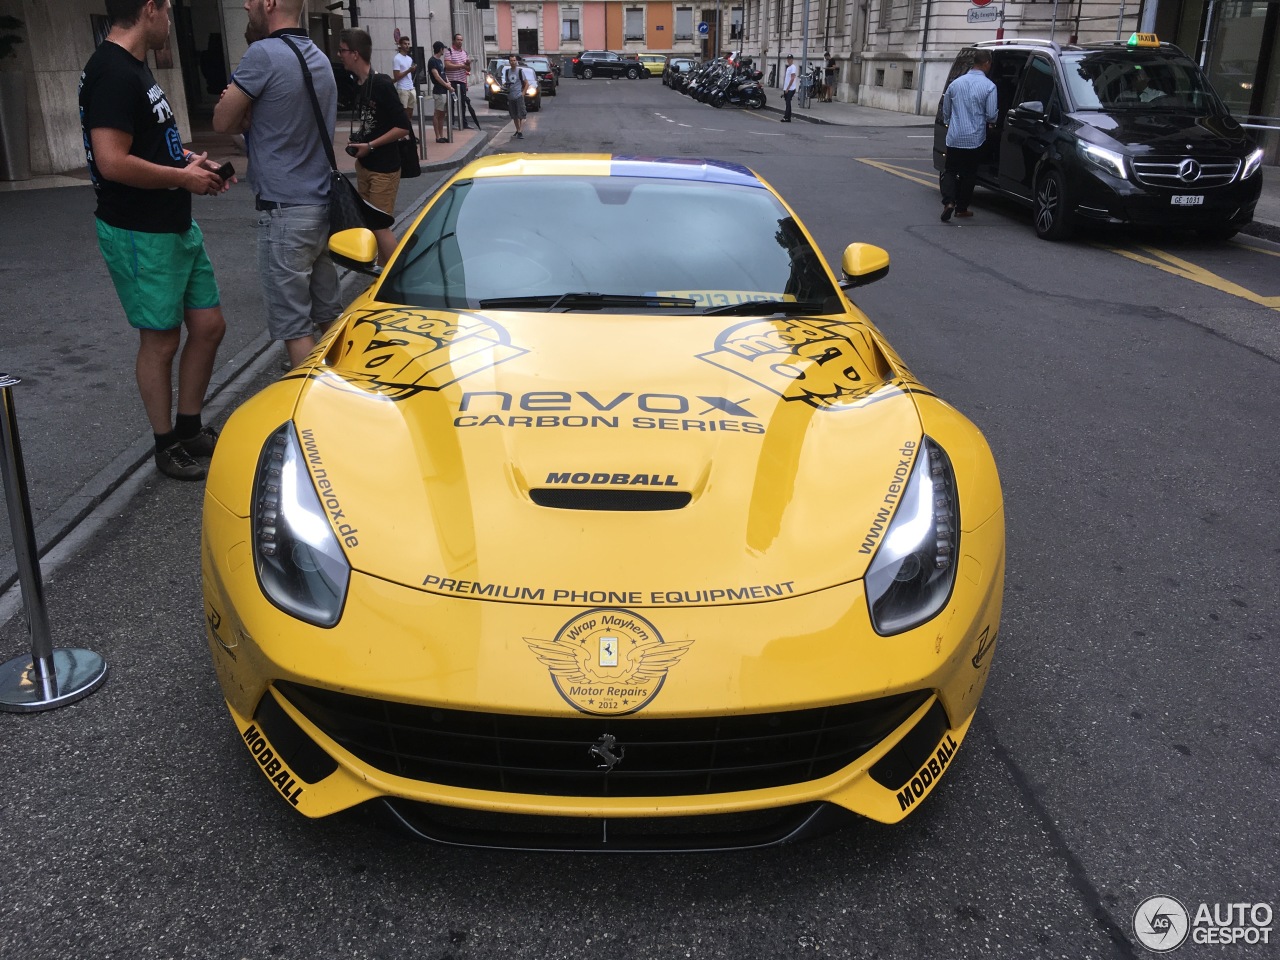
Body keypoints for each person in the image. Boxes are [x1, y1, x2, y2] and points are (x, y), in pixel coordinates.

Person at [80, 0, 230, 481]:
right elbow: (111, 161)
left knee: (208, 326)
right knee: (161, 340)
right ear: (148, 9)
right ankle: (166, 444)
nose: (170, 17)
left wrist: (189, 162)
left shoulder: (134, 69)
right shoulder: (111, 71)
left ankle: (189, 427)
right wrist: (180, 178)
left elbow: (149, 142)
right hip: (139, 229)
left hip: (173, 222)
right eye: (167, 7)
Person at [213, 0, 342, 369]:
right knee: (327, 314)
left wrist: (241, 109)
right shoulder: (318, 57)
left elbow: (222, 121)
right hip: (321, 208)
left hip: (284, 212)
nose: (245, 4)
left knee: (295, 327)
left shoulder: (262, 55)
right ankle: (346, 390)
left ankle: (310, 407)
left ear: (269, 3)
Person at [339, 28, 411, 266]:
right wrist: (361, 142)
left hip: (384, 169)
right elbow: (374, 123)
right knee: (370, 225)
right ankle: (381, 276)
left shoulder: (381, 83)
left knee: (380, 226)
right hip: (366, 165)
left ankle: (396, 277)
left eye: (343, 50)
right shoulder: (361, 85)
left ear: (356, 53)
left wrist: (370, 145)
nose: (340, 55)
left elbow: (403, 127)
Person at [939, 48, 997, 222]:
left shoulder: (956, 83)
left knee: (950, 170)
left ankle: (949, 202)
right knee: (969, 174)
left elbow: (946, 111)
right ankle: (962, 208)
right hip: (974, 138)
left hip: (955, 136)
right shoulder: (989, 86)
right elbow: (991, 114)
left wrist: (952, 122)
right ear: (986, 63)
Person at [443, 31, 477, 129]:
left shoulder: (464, 53)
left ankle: (463, 123)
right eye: (458, 40)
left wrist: (468, 64)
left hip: (462, 81)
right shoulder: (449, 52)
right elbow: (447, 65)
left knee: (462, 103)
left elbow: (468, 69)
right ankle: (451, 123)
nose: (460, 42)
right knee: (451, 103)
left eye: (461, 40)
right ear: (454, 41)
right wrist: (462, 65)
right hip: (452, 81)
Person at [502, 53, 535, 140]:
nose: (513, 62)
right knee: (514, 115)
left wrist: (523, 93)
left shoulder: (520, 71)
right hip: (511, 96)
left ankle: (520, 131)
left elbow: (526, 83)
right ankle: (518, 130)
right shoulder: (507, 72)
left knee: (522, 115)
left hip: (518, 96)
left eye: (514, 60)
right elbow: (507, 83)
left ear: (516, 61)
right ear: (509, 62)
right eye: (511, 61)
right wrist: (505, 86)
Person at [427, 40, 452, 143]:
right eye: (443, 49)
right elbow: (436, 76)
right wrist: (446, 85)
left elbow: (443, 74)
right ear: (440, 49)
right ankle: (437, 136)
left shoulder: (440, 61)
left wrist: (448, 83)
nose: (444, 51)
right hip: (438, 91)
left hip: (444, 90)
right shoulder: (432, 61)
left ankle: (441, 135)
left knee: (443, 114)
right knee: (437, 113)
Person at [392, 35, 416, 118]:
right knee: (403, 112)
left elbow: (409, 73)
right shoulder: (397, 58)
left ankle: (409, 129)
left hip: (411, 87)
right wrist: (408, 70)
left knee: (410, 112)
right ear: (400, 45)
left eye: (408, 44)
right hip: (402, 88)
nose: (407, 46)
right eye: (405, 44)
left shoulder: (409, 58)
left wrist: (411, 70)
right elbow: (397, 76)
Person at [781, 54, 798, 122]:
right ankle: (788, 117)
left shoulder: (793, 67)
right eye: (788, 59)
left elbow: (792, 78)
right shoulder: (788, 67)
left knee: (788, 103)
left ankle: (786, 117)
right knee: (788, 103)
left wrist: (788, 88)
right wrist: (785, 88)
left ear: (792, 59)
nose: (789, 60)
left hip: (791, 89)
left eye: (790, 59)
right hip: (786, 88)